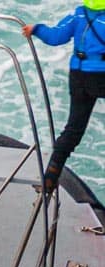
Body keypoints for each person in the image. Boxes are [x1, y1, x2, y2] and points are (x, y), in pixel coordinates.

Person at [23, 2, 105, 195]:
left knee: (73, 129)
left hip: (78, 76)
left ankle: (50, 178)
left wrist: (36, 29)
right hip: (100, 76)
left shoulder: (78, 15)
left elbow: (55, 37)